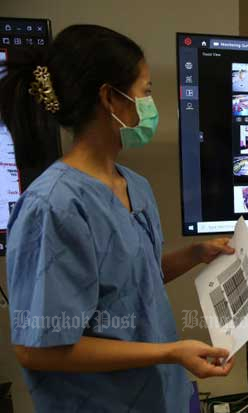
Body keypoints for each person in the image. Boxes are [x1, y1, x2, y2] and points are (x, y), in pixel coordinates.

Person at [0, 25, 235, 412]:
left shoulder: (133, 185)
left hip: (160, 394)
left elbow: (129, 283)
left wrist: (195, 254)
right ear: (111, 98)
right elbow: (35, 348)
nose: (150, 104)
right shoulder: (53, 206)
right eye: (145, 91)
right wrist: (169, 352)